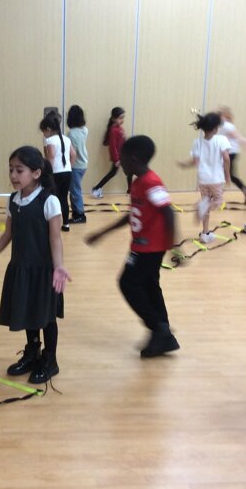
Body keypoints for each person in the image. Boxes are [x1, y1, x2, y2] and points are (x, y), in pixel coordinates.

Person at [0, 146, 70, 383]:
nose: (13, 175)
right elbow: (8, 233)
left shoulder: (49, 201)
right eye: (11, 170)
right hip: (21, 268)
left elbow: (55, 238)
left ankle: (50, 360)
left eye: (19, 170)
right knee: (29, 311)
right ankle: (33, 353)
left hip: (43, 271)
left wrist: (59, 266)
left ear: (36, 173)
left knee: (46, 316)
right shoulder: (13, 200)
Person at [86, 136, 179, 357]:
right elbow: (133, 215)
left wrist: (175, 247)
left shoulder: (151, 182)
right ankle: (163, 333)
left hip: (150, 249)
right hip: (141, 246)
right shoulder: (138, 183)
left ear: (134, 158)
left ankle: (159, 330)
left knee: (127, 284)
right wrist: (103, 232)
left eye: (122, 158)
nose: (120, 162)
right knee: (150, 286)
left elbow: (168, 212)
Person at [177, 112, 231, 243]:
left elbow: (195, 161)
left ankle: (205, 233)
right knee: (217, 201)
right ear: (216, 128)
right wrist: (228, 175)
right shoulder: (221, 140)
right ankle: (201, 208)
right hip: (216, 179)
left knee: (206, 202)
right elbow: (226, 158)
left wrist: (184, 164)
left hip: (203, 180)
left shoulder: (197, 142)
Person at [40, 111, 75, 232]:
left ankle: (51, 224)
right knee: (63, 198)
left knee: (52, 198)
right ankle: (66, 224)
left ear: (48, 129)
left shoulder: (50, 140)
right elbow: (73, 155)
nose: (44, 134)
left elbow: (51, 156)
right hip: (67, 172)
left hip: (55, 173)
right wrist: (69, 167)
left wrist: (47, 173)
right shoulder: (66, 139)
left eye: (43, 132)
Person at [217, 106, 246, 203]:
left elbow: (239, 137)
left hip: (230, 153)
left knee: (226, 175)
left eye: (220, 114)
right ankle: (245, 190)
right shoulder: (222, 125)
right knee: (228, 175)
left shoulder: (227, 126)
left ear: (224, 115)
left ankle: (216, 196)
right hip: (227, 153)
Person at [91, 107, 127, 198]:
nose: (122, 120)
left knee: (124, 172)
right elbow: (112, 146)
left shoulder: (120, 129)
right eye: (120, 118)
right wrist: (116, 159)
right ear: (114, 118)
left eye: (123, 118)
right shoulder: (113, 130)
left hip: (123, 155)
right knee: (113, 173)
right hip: (118, 157)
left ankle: (97, 188)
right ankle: (96, 188)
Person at [67, 105, 89, 224]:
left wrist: (68, 166)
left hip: (75, 165)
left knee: (75, 191)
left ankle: (80, 214)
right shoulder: (84, 130)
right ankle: (76, 212)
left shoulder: (71, 134)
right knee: (75, 189)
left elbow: (72, 153)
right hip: (83, 163)